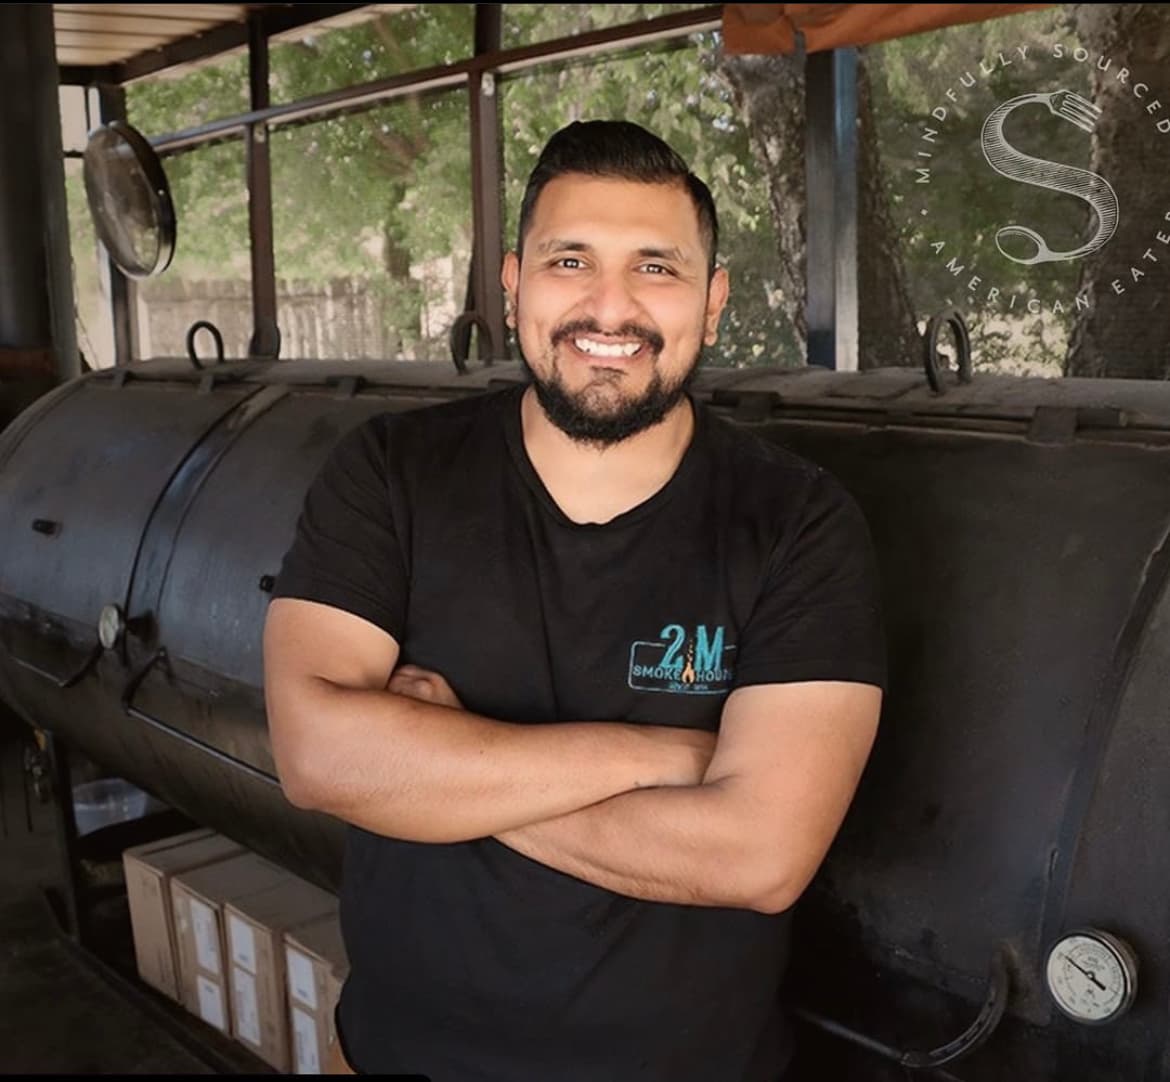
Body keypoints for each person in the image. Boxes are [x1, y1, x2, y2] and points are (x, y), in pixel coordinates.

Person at [263, 119, 885, 1081]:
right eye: (570, 260)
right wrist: (656, 759)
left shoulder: (798, 522)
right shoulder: (391, 474)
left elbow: (760, 856)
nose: (611, 306)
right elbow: (315, 754)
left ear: (713, 303)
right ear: (512, 285)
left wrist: (440, 763)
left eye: (657, 268)